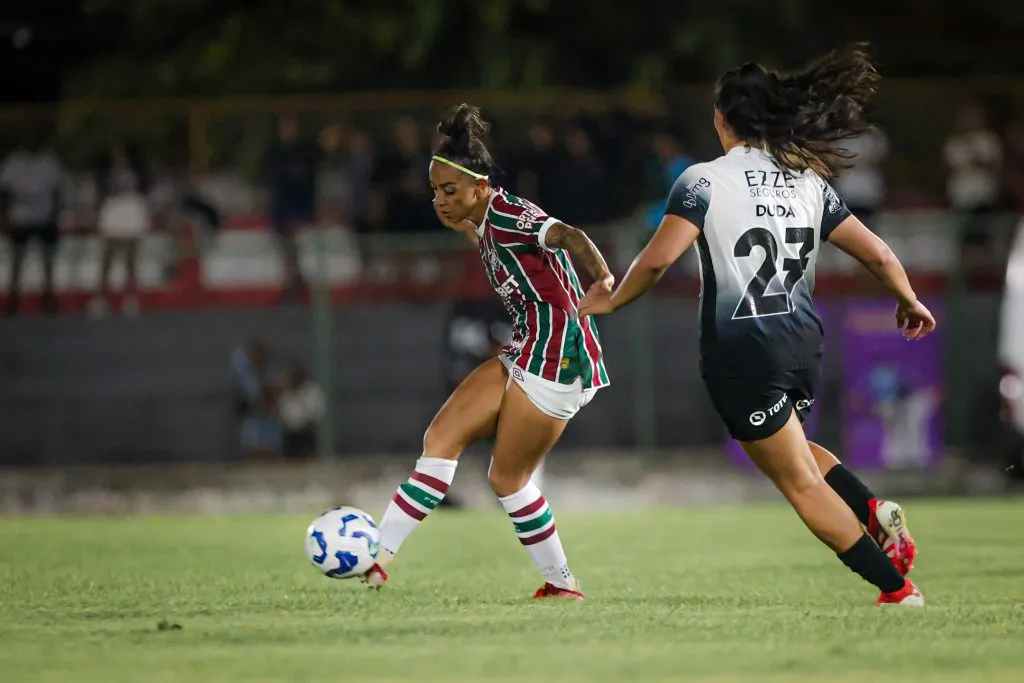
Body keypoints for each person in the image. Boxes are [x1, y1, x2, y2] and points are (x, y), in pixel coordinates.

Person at [579, 44, 934, 607]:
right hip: (801, 342)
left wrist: (611, 302)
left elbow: (654, 261)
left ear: (721, 119)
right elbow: (879, 254)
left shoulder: (703, 180)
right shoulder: (808, 182)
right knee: (793, 450)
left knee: (797, 482)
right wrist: (908, 299)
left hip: (743, 350)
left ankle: (897, 590)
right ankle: (871, 508)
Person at [363, 104, 613, 599]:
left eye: (449, 190)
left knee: (508, 478)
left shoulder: (512, 216)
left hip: (560, 356)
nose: (439, 199)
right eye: (434, 190)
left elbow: (570, 236)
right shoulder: (480, 218)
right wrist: (454, 210)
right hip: (525, 347)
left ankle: (562, 584)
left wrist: (603, 279)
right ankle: (375, 561)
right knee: (440, 438)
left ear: (480, 187)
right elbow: (468, 226)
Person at [0, 130, 64, 315]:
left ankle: (48, 297)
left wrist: (55, 214)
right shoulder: (14, 162)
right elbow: (5, 192)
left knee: (48, 261)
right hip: (20, 217)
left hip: (44, 217)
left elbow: (57, 189)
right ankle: (13, 299)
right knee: (17, 260)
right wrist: (4, 216)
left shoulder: (49, 161)